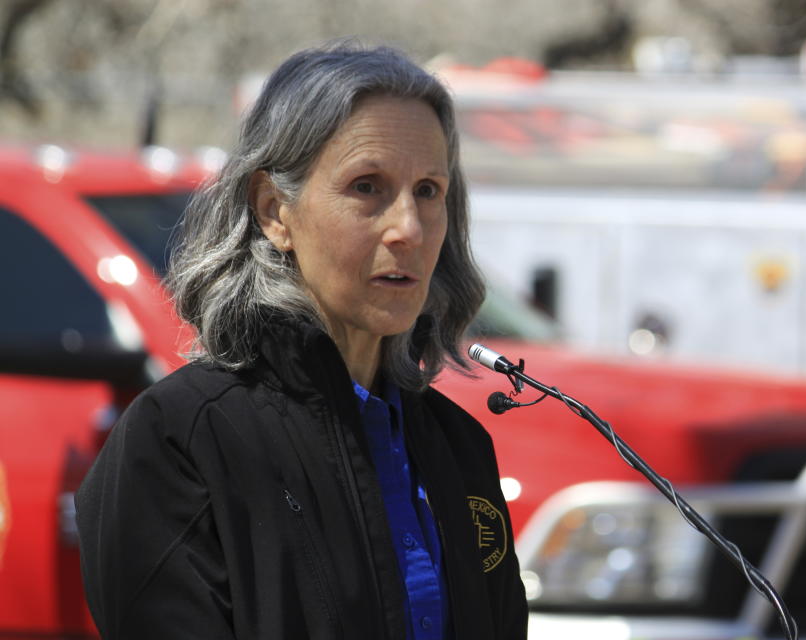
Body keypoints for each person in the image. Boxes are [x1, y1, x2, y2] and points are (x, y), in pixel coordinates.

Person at [75, 43, 528, 640]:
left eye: (428, 190)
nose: (409, 228)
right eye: (367, 187)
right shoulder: (178, 441)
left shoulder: (458, 445)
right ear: (273, 211)